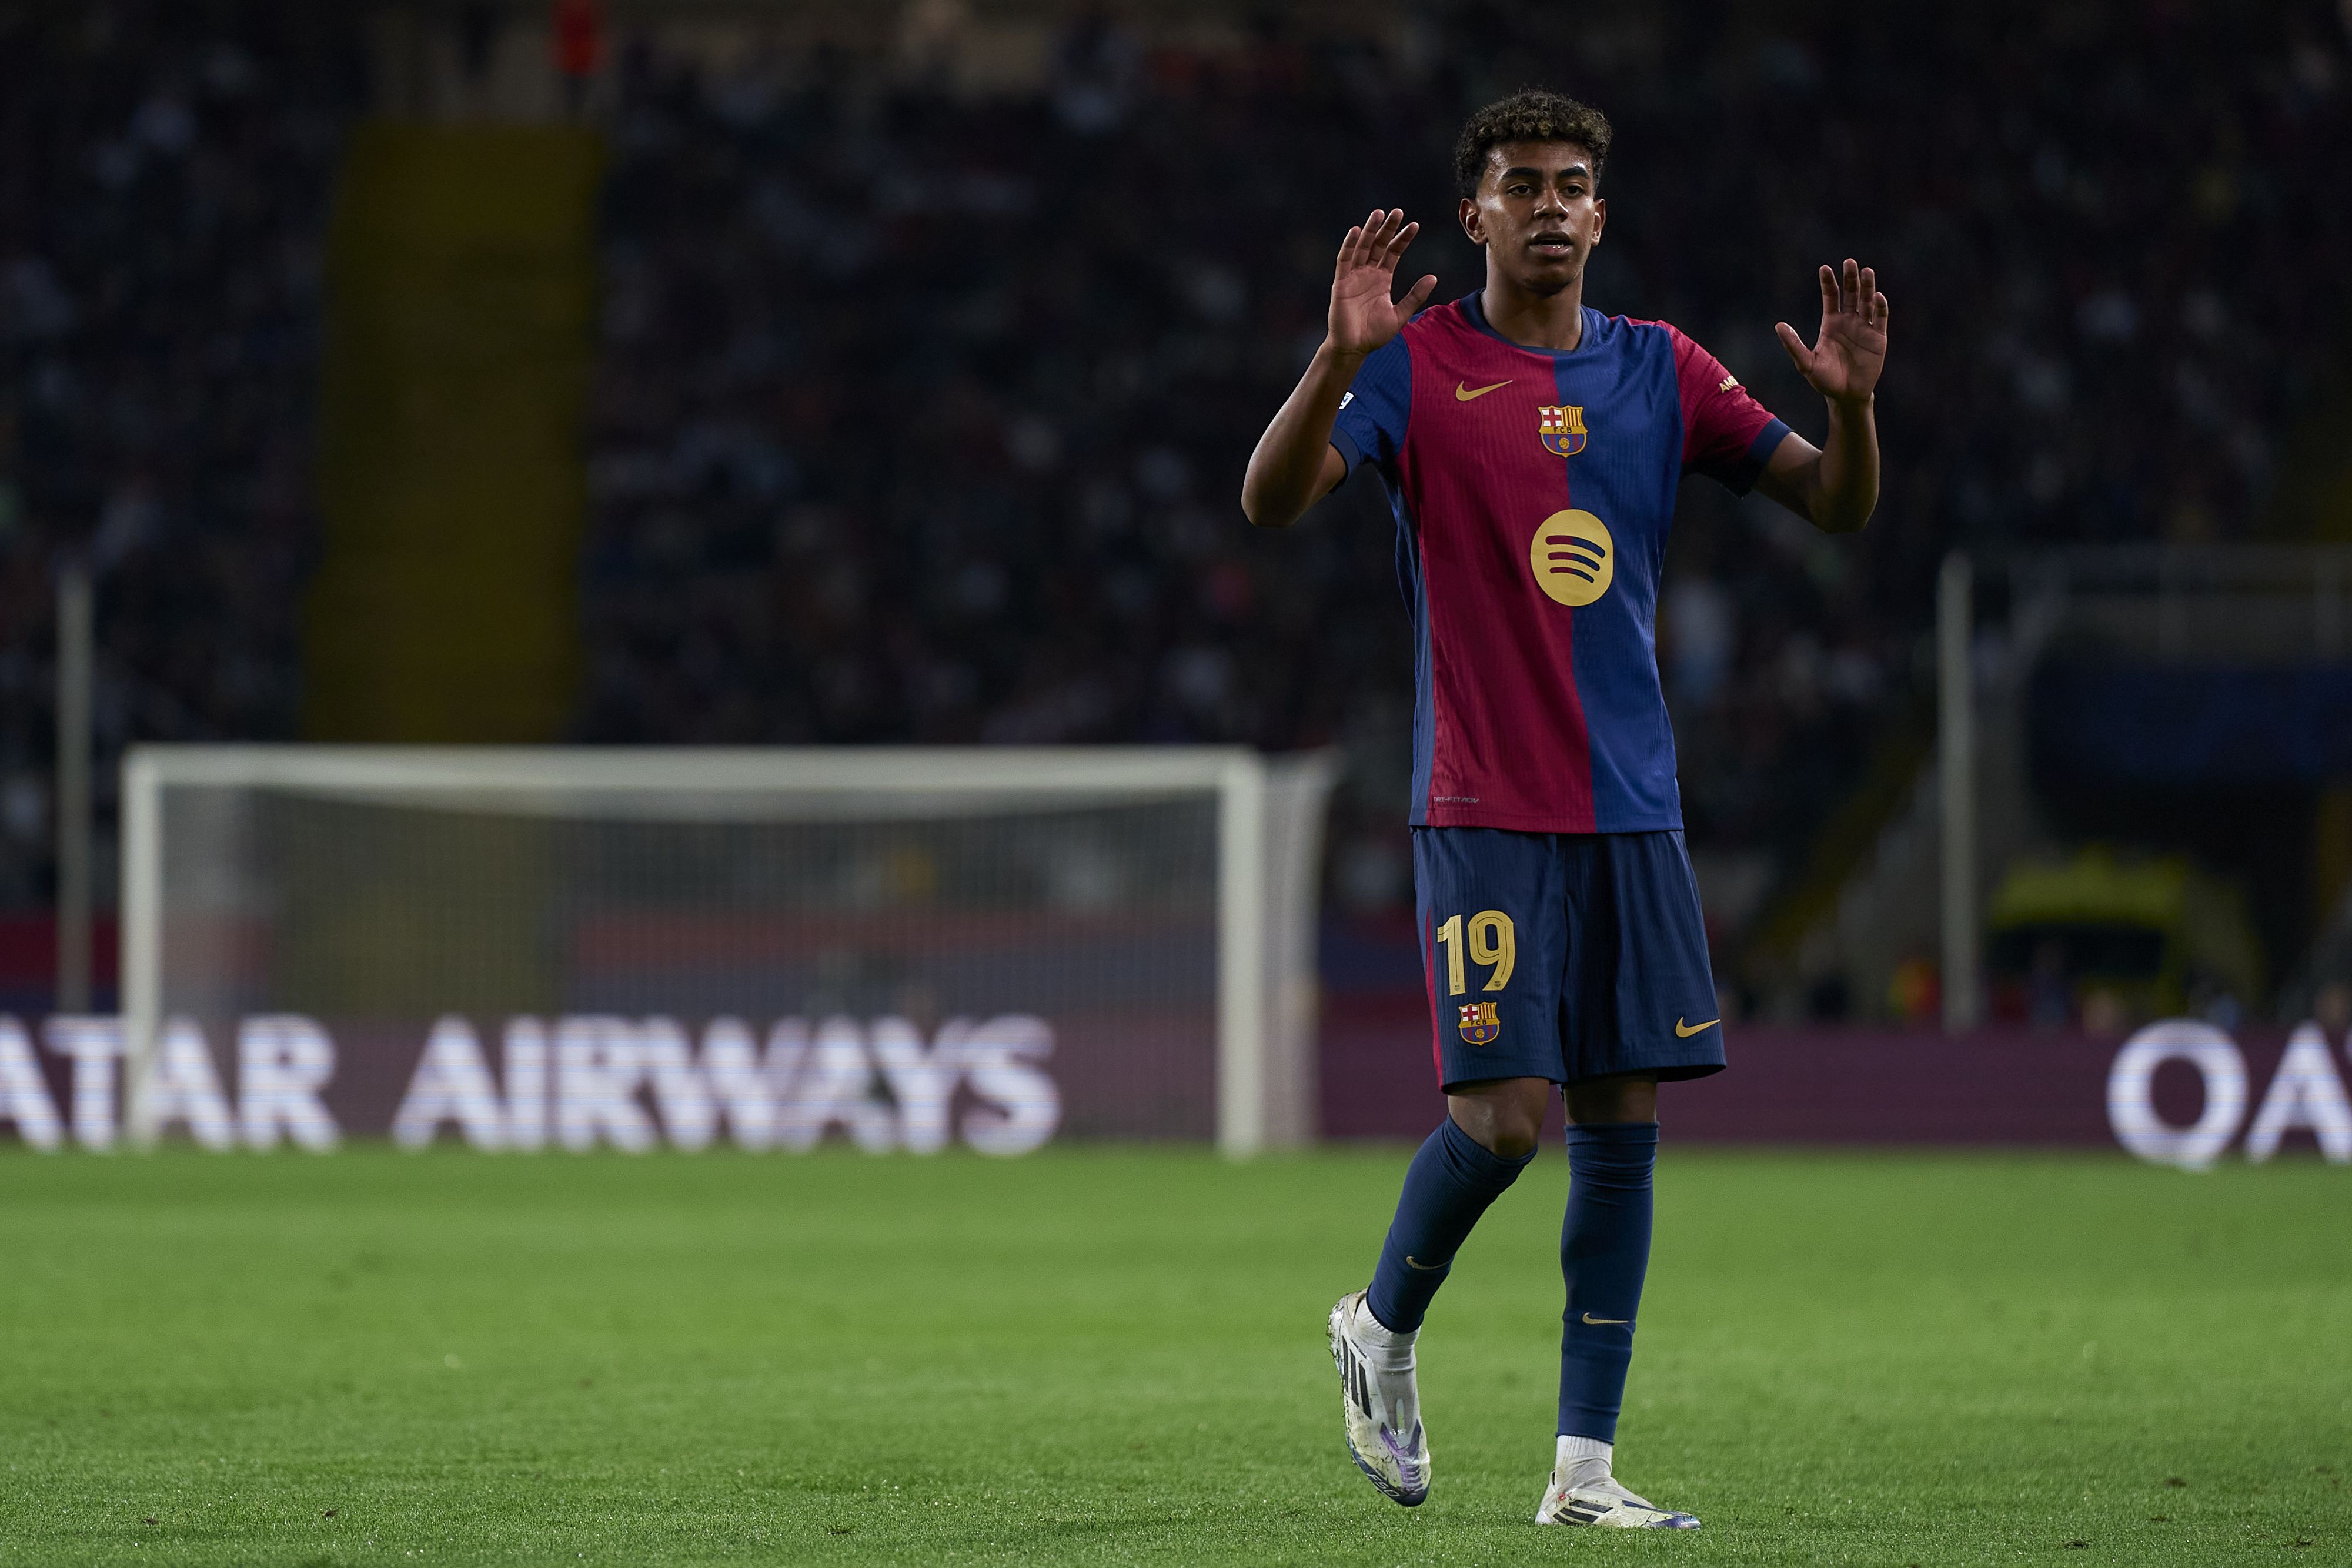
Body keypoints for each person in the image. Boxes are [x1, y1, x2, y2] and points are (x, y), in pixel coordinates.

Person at [1240, 89, 1887, 1528]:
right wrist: (1328, 361)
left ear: (1601, 213)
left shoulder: (1662, 369)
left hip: (1632, 807)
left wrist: (1847, 410)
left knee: (1620, 1120)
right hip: (1479, 800)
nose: (1547, 202)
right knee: (1500, 1118)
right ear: (1472, 211)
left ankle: (1581, 1471)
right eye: (1519, 181)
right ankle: (1379, 1325)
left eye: (1571, 182)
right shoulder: (1413, 365)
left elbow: (1834, 509)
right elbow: (1270, 498)